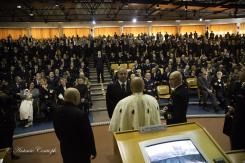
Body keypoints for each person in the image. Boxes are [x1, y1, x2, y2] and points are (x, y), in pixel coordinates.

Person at [53, 88, 96, 163]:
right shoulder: (80, 114)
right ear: (75, 98)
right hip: (81, 151)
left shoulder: (56, 112)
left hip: (65, 148)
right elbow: (87, 134)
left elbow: (57, 130)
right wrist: (92, 150)